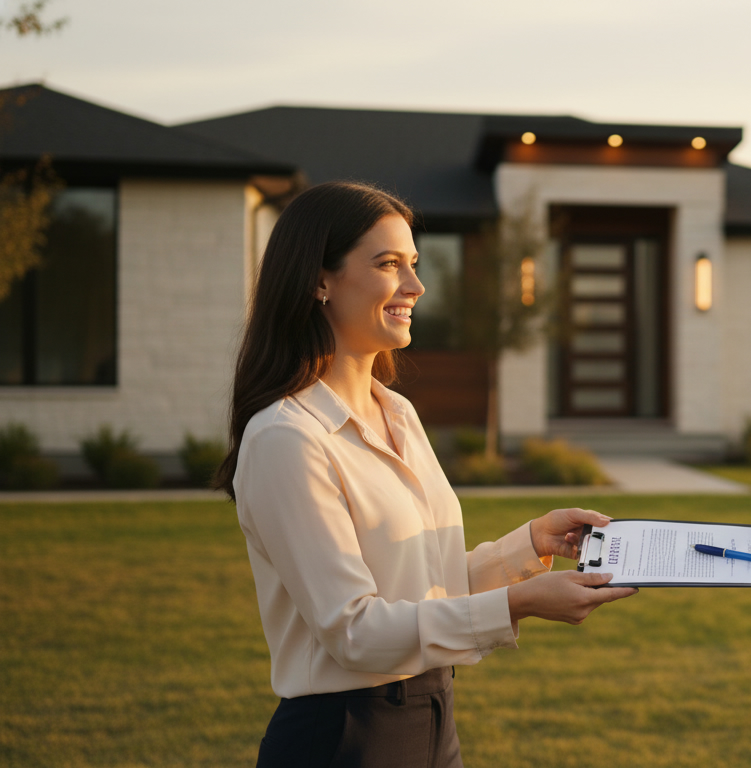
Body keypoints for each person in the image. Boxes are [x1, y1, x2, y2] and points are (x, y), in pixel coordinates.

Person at [216, 181, 637, 768]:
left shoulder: (398, 413)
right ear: (319, 280)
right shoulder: (287, 438)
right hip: (343, 739)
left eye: (413, 264)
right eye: (389, 265)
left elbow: (420, 588)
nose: (415, 286)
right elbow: (355, 631)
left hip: (434, 721)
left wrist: (530, 545)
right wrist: (516, 604)